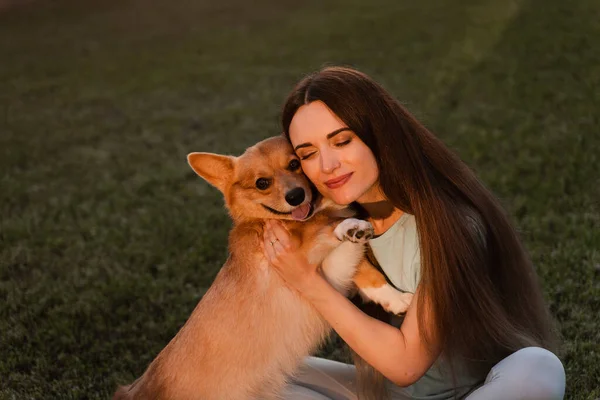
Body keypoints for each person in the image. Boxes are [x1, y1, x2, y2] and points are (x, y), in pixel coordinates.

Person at [262, 66, 566, 399]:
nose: (326, 165)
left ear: (378, 135)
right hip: (384, 395)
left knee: (538, 369)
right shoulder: (331, 226)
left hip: (477, 393)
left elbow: (407, 365)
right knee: (256, 375)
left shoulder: (448, 224)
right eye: (307, 154)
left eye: (342, 141)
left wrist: (307, 281)